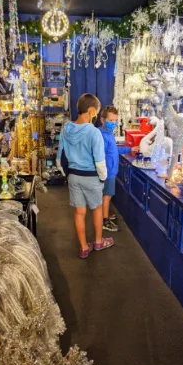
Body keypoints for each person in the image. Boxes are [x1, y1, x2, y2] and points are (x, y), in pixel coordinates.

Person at [56, 93, 114, 258]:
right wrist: (103, 178)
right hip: (91, 177)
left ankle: (83, 247)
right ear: (91, 111)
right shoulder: (94, 133)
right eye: (97, 111)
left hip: (73, 176)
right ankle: (98, 241)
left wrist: (65, 173)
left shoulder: (66, 129)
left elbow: (59, 158)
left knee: (79, 213)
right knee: (96, 209)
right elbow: (100, 161)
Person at [99, 106, 137, 231]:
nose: (114, 123)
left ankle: (105, 216)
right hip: (107, 172)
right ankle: (104, 221)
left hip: (110, 171)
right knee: (107, 196)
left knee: (107, 195)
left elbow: (114, 150)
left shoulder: (108, 134)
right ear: (102, 120)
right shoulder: (102, 136)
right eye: (111, 120)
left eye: (115, 120)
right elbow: (100, 155)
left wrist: (130, 149)